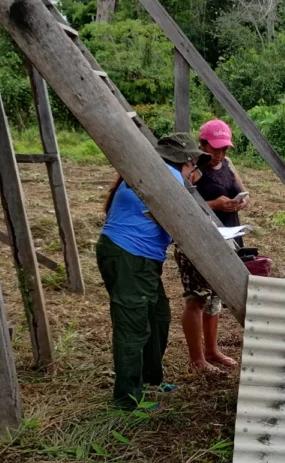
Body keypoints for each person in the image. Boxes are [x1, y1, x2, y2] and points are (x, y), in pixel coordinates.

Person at [96, 133, 211, 409]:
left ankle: (151, 381)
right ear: (185, 161)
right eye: (194, 162)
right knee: (132, 326)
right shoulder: (169, 176)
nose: (196, 168)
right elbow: (185, 224)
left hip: (139, 258)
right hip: (129, 257)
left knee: (158, 316)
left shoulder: (152, 172)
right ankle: (128, 400)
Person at [172, 119, 246, 374]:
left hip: (227, 237)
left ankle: (212, 350)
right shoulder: (193, 168)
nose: (219, 154)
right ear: (201, 144)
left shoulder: (227, 164)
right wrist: (215, 204)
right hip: (199, 240)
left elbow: (241, 190)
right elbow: (180, 203)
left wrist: (239, 202)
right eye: (214, 148)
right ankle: (197, 359)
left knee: (216, 296)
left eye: (224, 149)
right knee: (196, 298)